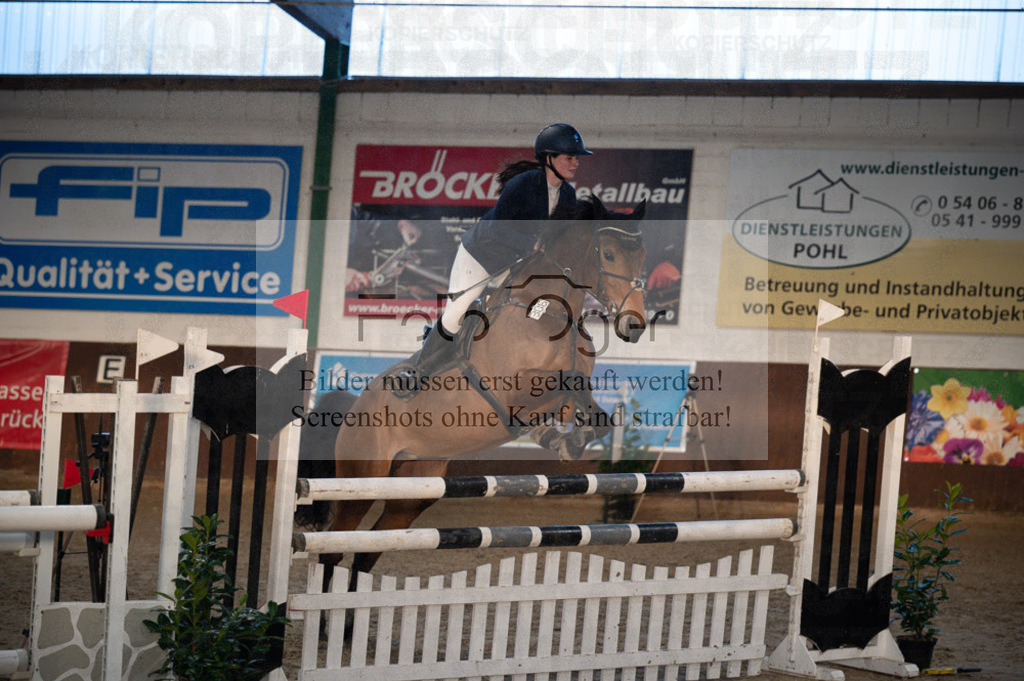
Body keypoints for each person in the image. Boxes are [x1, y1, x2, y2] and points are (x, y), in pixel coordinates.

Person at [414, 123, 594, 376]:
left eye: (576, 158)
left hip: (515, 263)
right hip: (481, 256)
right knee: (457, 311)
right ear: (549, 159)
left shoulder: (567, 194)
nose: (575, 163)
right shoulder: (522, 185)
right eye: (569, 158)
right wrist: (530, 245)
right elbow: (495, 230)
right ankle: (418, 370)